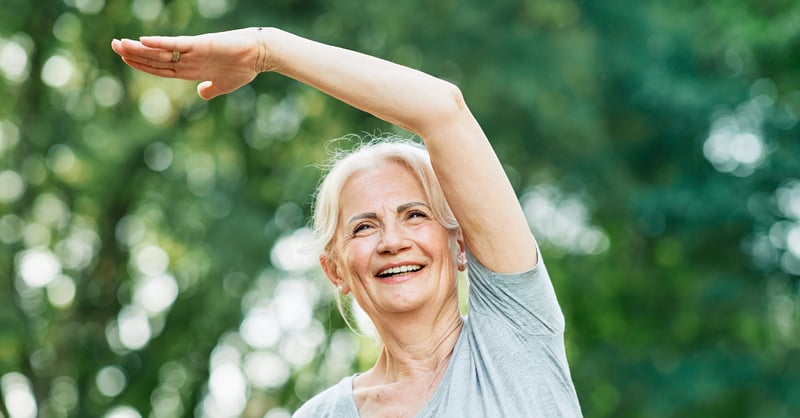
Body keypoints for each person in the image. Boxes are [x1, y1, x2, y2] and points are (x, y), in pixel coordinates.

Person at [111, 27, 583, 417]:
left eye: (414, 215)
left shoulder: (515, 334)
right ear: (335, 270)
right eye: (363, 227)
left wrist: (267, 50)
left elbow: (442, 110)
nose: (393, 241)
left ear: (461, 246)